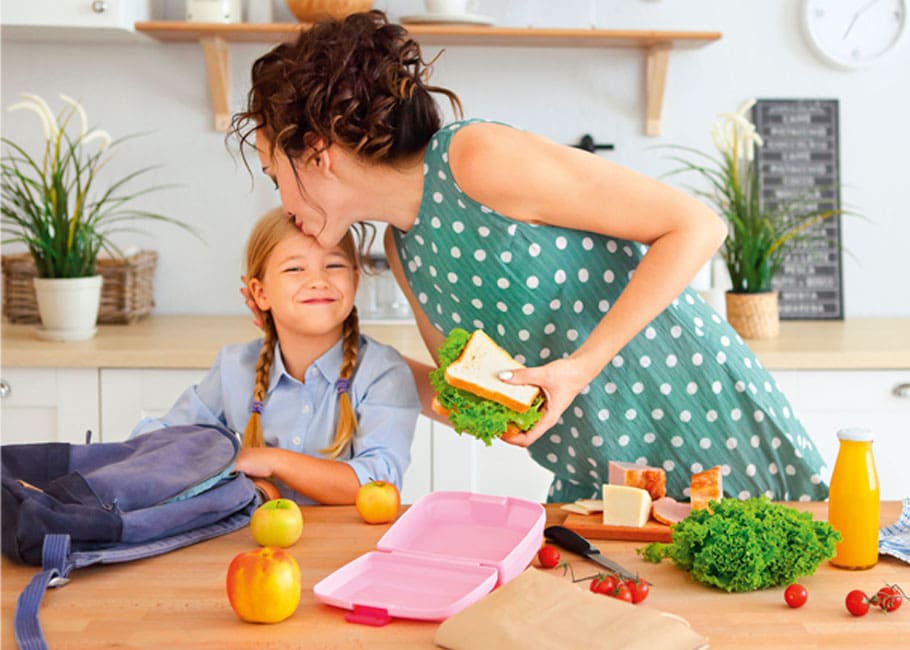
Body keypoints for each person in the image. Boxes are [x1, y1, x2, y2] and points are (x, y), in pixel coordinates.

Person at [230, 11, 829, 503]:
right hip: (599, 477)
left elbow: (695, 226)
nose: (280, 201)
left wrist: (580, 366)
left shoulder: (474, 158)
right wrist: (334, 356)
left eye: (272, 173)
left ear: (317, 151)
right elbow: (471, 398)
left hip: (700, 420)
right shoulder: (403, 250)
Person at [132, 207, 421, 504]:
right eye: (295, 269)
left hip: (350, 547)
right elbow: (160, 439)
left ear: (355, 281)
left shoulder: (382, 372)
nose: (318, 280)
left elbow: (378, 483)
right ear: (260, 293)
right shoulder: (235, 367)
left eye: (334, 265)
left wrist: (273, 462)